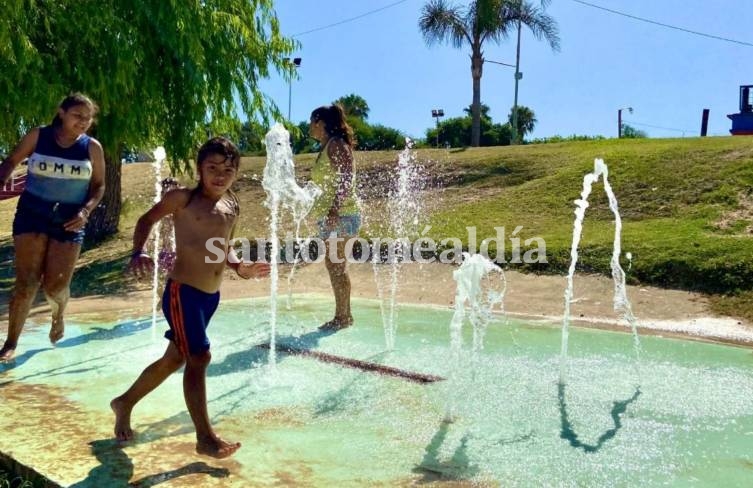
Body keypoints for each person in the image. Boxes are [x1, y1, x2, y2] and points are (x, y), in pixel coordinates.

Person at [110, 137, 270, 459]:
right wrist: (139, 252)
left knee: (175, 359)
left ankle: (124, 403)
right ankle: (205, 438)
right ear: (200, 169)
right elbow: (146, 220)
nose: (220, 175)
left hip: (210, 297)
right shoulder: (182, 199)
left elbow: (223, 246)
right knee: (199, 358)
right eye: (212, 168)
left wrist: (241, 268)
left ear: (236, 173)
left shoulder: (232, 205)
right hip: (183, 293)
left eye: (228, 169)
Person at [0, 93, 105, 361]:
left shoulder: (92, 147)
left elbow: (99, 186)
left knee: (55, 288)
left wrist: (86, 211)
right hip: (32, 215)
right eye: (77, 116)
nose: (82, 122)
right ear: (61, 112)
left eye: (87, 118)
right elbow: (12, 161)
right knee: (26, 283)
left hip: (70, 220)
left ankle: (58, 315)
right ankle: (10, 343)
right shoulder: (39, 136)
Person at [308, 104, 360, 330]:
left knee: (337, 265)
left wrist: (334, 209)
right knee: (335, 265)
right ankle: (343, 315)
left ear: (320, 123)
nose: (310, 126)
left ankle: (343, 317)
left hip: (342, 215)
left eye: (312, 122)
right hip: (335, 215)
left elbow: (347, 176)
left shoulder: (336, 145)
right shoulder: (327, 146)